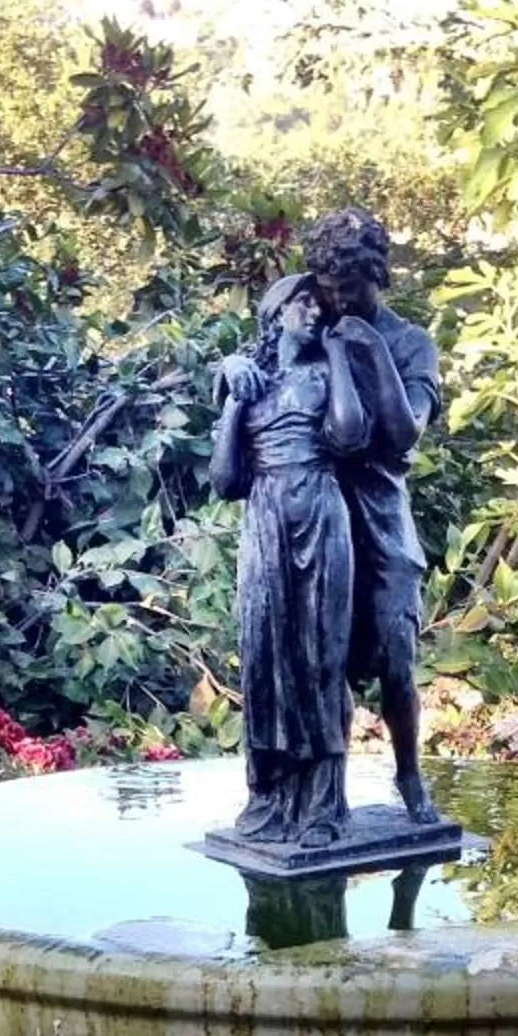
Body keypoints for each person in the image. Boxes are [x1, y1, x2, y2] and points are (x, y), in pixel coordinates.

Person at [211, 271, 366, 846]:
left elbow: (350, 437)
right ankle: (270, 798)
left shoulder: (327, 375)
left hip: (321, 514)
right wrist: (231, 400)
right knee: (265, 658)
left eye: (316, 304)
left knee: (322, 656)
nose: (313, 312)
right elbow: (226, 481)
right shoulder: (248, 381)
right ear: (275, 315)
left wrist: (339, 358)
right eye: (302, 303)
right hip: (266, 519)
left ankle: (324, 807)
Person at [302, 208, 442, 826]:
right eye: (329, 290)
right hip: (320, 518)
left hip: (382, 519)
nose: (337, 303)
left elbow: (404, 435)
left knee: (395, 658)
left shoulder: (410, 344)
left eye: (349, 290)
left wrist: (372, 353)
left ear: (377, 278)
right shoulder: (313, 327)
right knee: (324, 657)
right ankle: (325, 797)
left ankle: (409, 774)